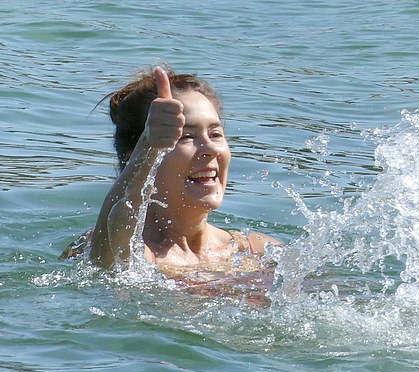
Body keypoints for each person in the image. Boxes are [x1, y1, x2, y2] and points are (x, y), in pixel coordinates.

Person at [63, 66, 280, 284]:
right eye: (185, 136)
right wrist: (148, 145)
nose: (211, 148)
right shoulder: (119, 251)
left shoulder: (258, 251)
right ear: (137, 157)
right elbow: (110, 249)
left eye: (215, 134)